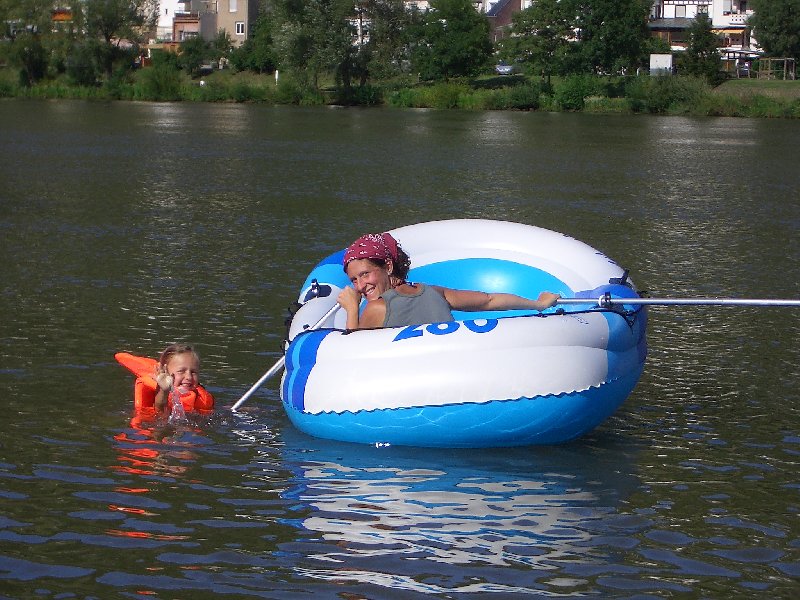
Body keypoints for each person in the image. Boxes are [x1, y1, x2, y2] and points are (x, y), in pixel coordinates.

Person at [337, 232, 560, 329]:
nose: (360, 286)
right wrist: (538, 304)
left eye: (365, 274)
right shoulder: (434, 292)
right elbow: (489, 300)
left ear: (388, 266)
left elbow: (351, 354)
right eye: (354, 280)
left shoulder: (376, 308)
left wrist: (352, 310)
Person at [153, 343, 214, 413]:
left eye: (193, 372)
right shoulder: (159, 395)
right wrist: (163, 391)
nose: (189, 377)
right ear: (165, 371)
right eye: (181, 371)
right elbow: (159, 412)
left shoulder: (203, 398)